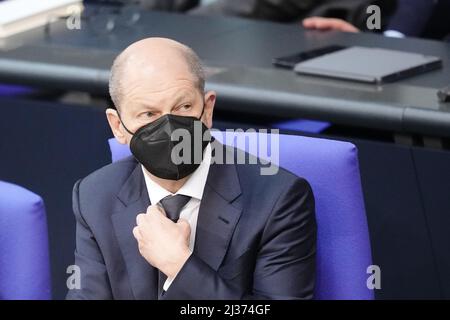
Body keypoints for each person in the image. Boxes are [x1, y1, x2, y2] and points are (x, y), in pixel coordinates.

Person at [66, 37, 317, 300]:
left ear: (207, 109)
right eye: (148, 115)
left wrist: (181, 267)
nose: (169, 129)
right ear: (118, 126)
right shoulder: (94, 196)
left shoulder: (278, 199)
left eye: (183, 107)